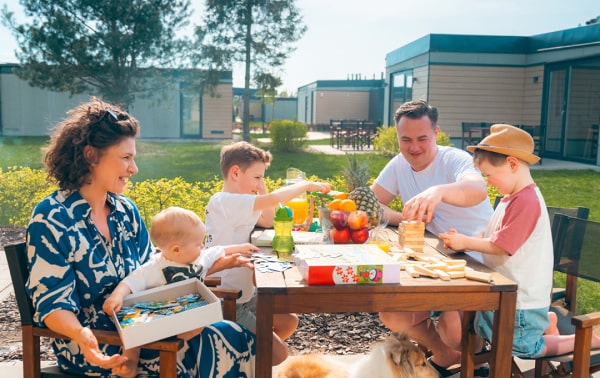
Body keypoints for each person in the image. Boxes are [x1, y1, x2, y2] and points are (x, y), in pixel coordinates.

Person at [25, 98, 255, 377]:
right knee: (208, 345)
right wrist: (82, 335)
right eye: (125, 158)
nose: (134, 169)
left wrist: (210, 266)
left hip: (146, 327)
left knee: (230, 334)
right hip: (98, 346)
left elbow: (155, 273)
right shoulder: (52, 217)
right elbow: (53, 304)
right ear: (90, 155)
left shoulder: (125, 211)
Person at [439, 124, 600, 363]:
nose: (489, 182)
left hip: (522, 302)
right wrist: (468, 238)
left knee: (525, 348)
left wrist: (466, 242)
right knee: (476, 324)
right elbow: (493, 234)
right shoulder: (510, 198)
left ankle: (589, 340)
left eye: (490, 175)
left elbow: (502, 246)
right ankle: (549, 323)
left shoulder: (526, 201)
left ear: (512, 164)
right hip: (505, 294)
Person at [371, 100, 493, 375]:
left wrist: (437, 191)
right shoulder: (398, 164)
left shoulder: (455, 159)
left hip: (476, 264)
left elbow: (478, 189)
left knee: (454, 331)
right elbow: (372, 204)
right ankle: (445, 354)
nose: (414, 147)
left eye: (422, 139)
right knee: (391, 314)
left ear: (436, 133)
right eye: (406, 140)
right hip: (433, 263)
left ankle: (476, 356)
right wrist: (405, 217)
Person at [204, 140, 331, 366]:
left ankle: (248, 358)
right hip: (226, 299)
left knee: (288, 320)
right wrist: (305, 186)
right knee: (279, 355)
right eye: (257, 177)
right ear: (235, 172)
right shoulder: (224, 201)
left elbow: (269, 219)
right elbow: (272, 201)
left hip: (244, 295)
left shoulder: (241, 203)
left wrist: (260, 187)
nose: (259, 183)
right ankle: (251, 356)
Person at [103, 206, 258, 377]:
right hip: (159, 315)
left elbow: (218, 251)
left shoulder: (198, 257)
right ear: (176, 249)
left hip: (188, 315)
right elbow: (131, 282)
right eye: (199, 244)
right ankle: (130, 360)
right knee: (133, 331)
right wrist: (117, 296)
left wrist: (242, 247)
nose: (203, 247)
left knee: (197, 326)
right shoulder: (154, 267)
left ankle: (177, 340)